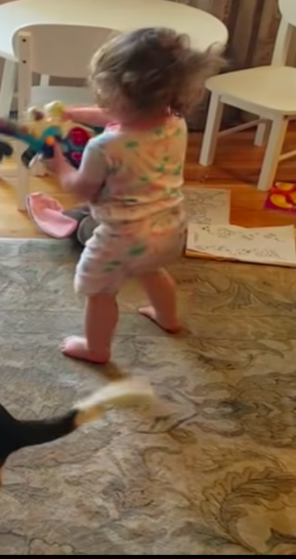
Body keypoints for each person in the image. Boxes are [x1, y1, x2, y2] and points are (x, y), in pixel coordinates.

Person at [44, 27, 224, 364]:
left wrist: (57, 164)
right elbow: (119, 116)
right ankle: (167, 318)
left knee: (99, 292)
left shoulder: (104, 147)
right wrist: (73, 114)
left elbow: (81, 188)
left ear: (121, 96)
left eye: (106, 96)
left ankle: (96, 348)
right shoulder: (174, 121)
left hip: (121, 237)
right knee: (153, 270)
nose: (103, 103)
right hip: (170, 227)